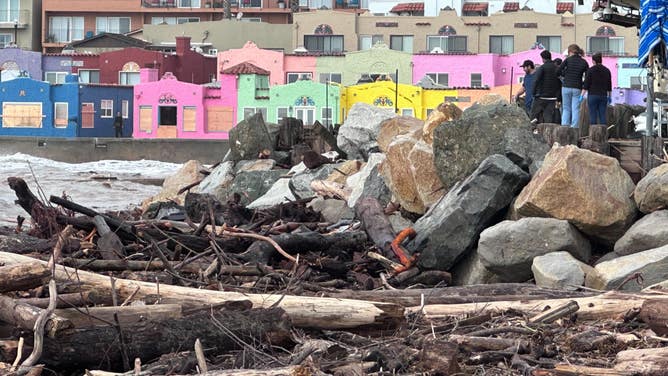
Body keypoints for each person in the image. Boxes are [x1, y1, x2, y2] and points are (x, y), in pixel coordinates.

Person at [557, 44, 589, 128]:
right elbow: (587, 77)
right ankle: (574, 127)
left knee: (566, 108)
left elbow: (558, 71)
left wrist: (564, 75)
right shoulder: (584, 62)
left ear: (570, 52)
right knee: (575, 109)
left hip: (566, 86)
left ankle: (564, 126)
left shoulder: (567, 60)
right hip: (577, 87)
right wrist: (583, 85)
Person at [530, 50, 561, 125]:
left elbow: (536, 80)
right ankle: (548, 132)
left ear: (543, 58)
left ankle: (533, 129)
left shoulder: (542, 68)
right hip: (553, 97)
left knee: (534, 114)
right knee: (548, 116)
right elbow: (560, 82)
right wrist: (558, 96)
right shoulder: (556, 68)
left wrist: (533, 92)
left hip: (541, 97)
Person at [583, 52, 612, 125]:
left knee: (593, 115)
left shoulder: (590, 70)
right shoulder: (607, 70)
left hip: (592, 95)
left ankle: (593, 132)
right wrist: (609, 96)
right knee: (602, 115)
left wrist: (581, 95)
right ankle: (603, 131)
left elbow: (586, 84)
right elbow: (609, 85)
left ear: (593, 61)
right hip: (603, 95)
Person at [552, 58, 563, 123]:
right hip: (560, 94)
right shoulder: (563, 71)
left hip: (558, 94)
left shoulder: (557, 72)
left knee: (557, 109)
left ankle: (558, 122)